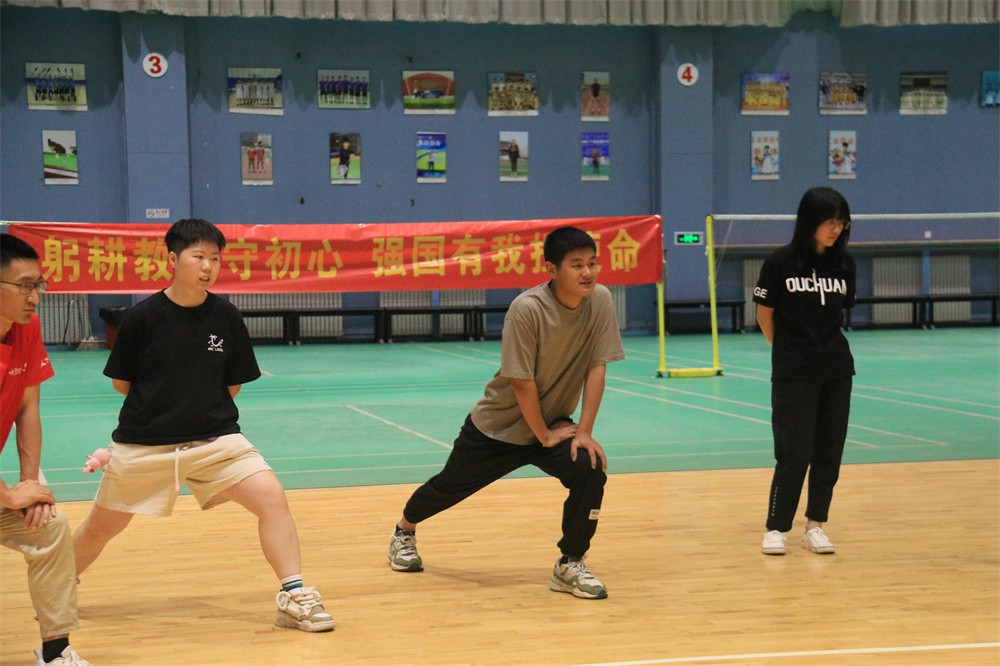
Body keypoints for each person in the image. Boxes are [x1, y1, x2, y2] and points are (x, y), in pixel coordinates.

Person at [72, 219, 334, 633]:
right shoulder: (142, 318)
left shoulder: (225, 316)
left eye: (214, 258)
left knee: (271, 498)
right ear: (172, 259)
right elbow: (121, 383)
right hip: (145, 443)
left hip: (216, 441)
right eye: (198, 257)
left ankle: (294, 594)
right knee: (102, 527)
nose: (208, 266)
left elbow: (233, 384)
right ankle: (57, 584)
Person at [386, 226, 623, 599]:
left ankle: (570, 563)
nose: (587, 273)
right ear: (551, 269)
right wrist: (543, 436)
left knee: (589, 469)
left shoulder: (601, 301)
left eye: (592, 263)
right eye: (576, 265)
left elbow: (597, 367)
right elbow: (521, 382)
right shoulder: (527, 309)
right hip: (499, 428)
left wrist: (583, 433)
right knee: (448, 487)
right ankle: (404, 530)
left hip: (553, 425)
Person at [0, 233, 92, 666]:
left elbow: (27, 408)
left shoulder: (28, 328)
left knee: (50, 528)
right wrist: (6, 495)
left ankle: (56, 653)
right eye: (23, 286)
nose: (34, 297)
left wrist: (29, 485)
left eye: (37, 285)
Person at [753, 187, 856, 556]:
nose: (836, 229)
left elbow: (839, 312)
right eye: (830, 222)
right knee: (793, 452)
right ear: (810, 221)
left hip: (836, 368)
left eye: (841, 223)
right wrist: (787, 351)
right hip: (794, 371)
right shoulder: (780, 263)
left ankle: (816, 526)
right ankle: (776, 527)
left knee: (829, 451)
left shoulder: (845, 264)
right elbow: (764, 315)